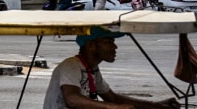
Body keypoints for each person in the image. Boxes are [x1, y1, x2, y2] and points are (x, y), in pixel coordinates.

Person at [43, 26, 179, 108]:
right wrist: (112, 107)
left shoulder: (92, 69)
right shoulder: (71, 65)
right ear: (91, 45)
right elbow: (72, 100)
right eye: (108, 41)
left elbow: (113, 98)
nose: (114, 47)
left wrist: (157, 106)